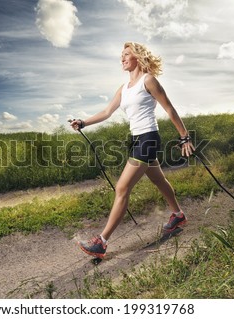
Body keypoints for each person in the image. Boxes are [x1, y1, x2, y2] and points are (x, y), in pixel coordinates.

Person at [70, 42, 195, 259]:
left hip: (148, 139)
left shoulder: (148, 80)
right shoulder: (124, 88)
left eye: (126, 54)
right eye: (121, 55)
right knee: (159, 181)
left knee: (122, 187)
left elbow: (169, 108)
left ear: (137, 57)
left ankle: (101, 242)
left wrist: (184, 137)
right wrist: (84, 122)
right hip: (136, 139)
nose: (122, 58)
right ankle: (178, 215)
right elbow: (107, 111)